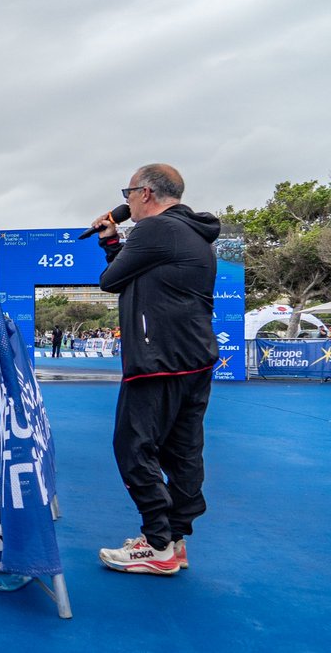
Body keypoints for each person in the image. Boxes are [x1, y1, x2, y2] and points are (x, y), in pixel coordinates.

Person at [91, 163, 220, 576]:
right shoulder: (194, 233)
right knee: (182, 451)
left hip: (157, 361)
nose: (125, 200)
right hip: (193, 359)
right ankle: (174, 540)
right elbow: (132, 276)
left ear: (145, 193)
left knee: (133, 447)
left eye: (128, 192)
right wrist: (115, 241)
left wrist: (112, 243)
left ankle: (158, 542)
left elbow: (111, 280)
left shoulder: (154, 230)